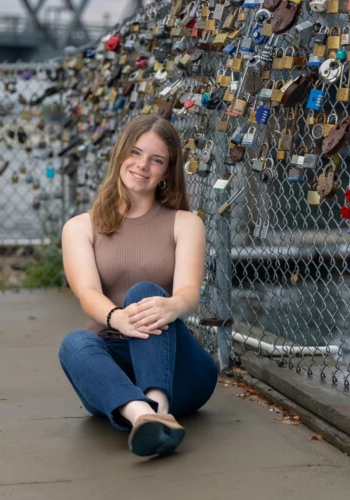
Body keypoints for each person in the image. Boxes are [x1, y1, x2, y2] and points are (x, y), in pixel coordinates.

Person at [58, 115, 218, 458]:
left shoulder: (185, 224)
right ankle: (142, 416)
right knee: (74, 343)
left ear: (166, 172)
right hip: (112, 374)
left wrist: (171, 306)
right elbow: (87, 293)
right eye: (135, 152)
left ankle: (159, 410)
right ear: (119, 154)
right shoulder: (80, 227)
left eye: (156, 160)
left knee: (145, 292)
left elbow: (189, 292)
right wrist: (118, 319)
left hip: (178, 370)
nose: (142, 165)